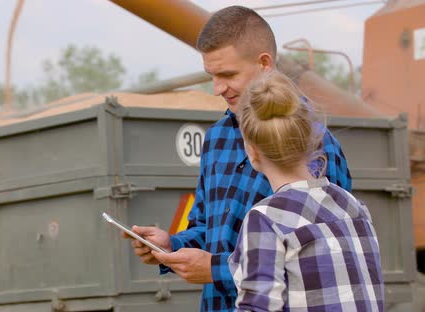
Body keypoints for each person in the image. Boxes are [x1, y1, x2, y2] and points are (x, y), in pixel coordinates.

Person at [124, 5, 352, 311]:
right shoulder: (216, 139)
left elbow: (324, 262)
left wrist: (216, 270)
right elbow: (208, 228)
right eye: (212, 76)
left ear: (264, 64)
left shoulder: (315, 143)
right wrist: (171, 245)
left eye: (228, 75)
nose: (218, 88)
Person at [227, 71, 384, 311]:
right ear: (309, 139)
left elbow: (257, 307)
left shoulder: (266, 219)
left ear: (252, 151)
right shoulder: (354, 207)